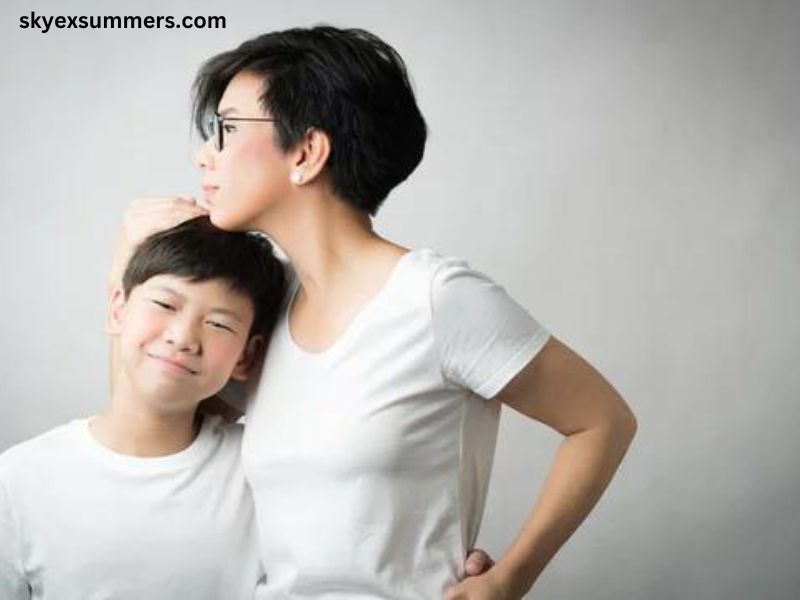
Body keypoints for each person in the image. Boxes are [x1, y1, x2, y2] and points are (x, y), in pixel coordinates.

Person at [115, 26, 638, 599]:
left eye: (230, 128)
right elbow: (145, 423)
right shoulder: (262, 312)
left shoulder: (436, 299)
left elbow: (602, 421)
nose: (204, 154)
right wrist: (131, 260)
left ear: (308, 153)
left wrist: (512, 576)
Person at [0, 217, 286, 599]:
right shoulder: (20, 478)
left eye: (218, 324)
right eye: (166, 304)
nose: (183, 337)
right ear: (118, 308)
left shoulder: (260, 470)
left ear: (247, 356)